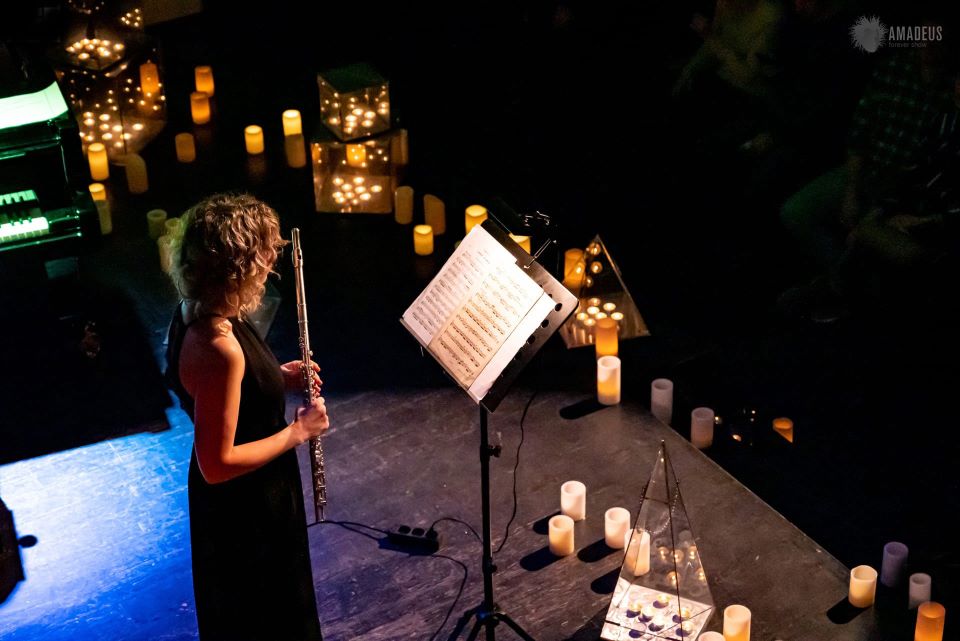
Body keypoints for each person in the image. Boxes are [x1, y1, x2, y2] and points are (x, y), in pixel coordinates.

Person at [165, 193, 328, 640]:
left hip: (250, 494)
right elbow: (217, 465)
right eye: (265, 252)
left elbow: (222, 393)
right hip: (246, 509)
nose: (272, 260)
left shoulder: (198, 309)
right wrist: (299, 431)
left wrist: (273, 376)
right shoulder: (219, 347)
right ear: (238, 266)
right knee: (267, 620)